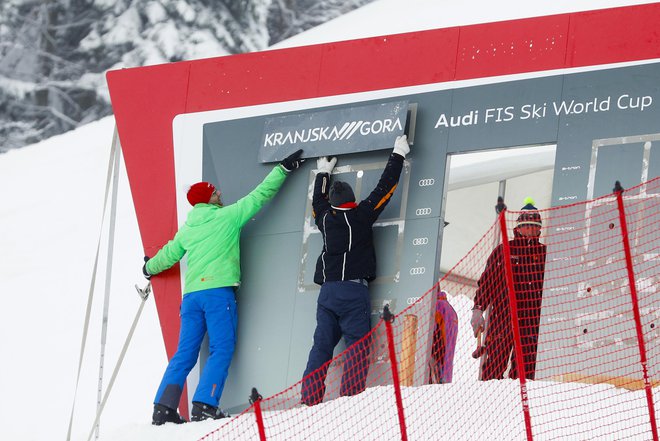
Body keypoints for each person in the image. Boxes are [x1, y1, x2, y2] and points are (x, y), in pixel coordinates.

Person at [143, 149, 304, 425]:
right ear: (208, 199)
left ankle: (163, 408)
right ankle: (205, 404)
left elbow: (168, 255)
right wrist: (284, 168)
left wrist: (148, 268)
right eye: (215, 192)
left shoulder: (187, 229)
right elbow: (260, 195)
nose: (220, 193)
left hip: (192, 297)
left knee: (184, 354)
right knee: (222, 348)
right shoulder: (228, 217)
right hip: (218, 295)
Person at [300, 135, 410, 406]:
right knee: (357, 349)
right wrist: (398, 153)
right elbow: (386, 187)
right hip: (353, 291)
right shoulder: (361, 216)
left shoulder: (325, 218)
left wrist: (324, 172)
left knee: (321, 347)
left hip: (327, 293)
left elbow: (318, 202)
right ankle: (348, 401)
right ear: (352, 200)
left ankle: (310, 398)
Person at [470, 198, 547, 381]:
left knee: (525, 372)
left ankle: (519, 405)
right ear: (518, 228)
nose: (530, 230)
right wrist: (478, 309)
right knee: (493, 367)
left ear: (539, 229)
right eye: (527, 226)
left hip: (531, 322)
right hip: (502, 318)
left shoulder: (545, 255)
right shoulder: (503, 250)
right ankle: (487, 402)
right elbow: (487, 282)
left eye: (534, 226)